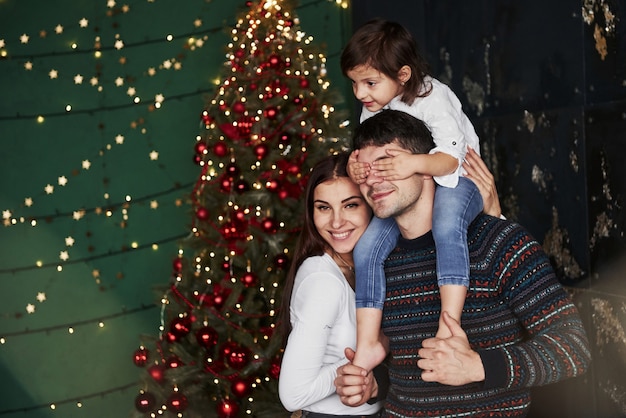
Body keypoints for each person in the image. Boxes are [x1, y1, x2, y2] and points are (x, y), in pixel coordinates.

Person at [334, 110, 591, 417]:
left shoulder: (497, 242)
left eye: (388, 163)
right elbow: (407, 369)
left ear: (429, 166)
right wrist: (373, 385)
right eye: (364, 170)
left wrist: (478, 366)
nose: (374, 179)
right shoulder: (377, 262)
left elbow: (575, 349)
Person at [340, 19, 484, 372]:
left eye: (369, 82)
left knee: (447, 228)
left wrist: (410, 164)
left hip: (457, 178)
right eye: (355, 83)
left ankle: (449, 325)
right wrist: (354, 166)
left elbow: (452, 157)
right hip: (411, 187)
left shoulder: (432, 97)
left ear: (402, 75)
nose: (360, 93)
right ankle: (370, 342)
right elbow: (364, 150)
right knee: (367, 248)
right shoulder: (375, 104)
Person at [278, 152, 383, 417]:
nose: (337, 222)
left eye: (350, 205)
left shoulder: (367, 266)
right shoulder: (323, 282)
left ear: (371, 204)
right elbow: (293, 395)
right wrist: (362, 360)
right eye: (324, 207)